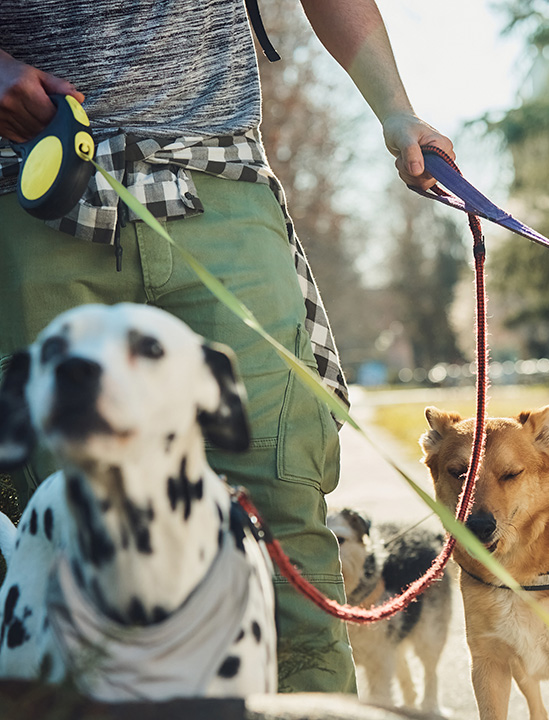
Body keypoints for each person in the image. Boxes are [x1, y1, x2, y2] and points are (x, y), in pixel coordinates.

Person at [0, 0, 454, 694]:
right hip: (33, 187)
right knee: (63, 534)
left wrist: (396, 111)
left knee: (287, 525)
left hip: (222, 183)